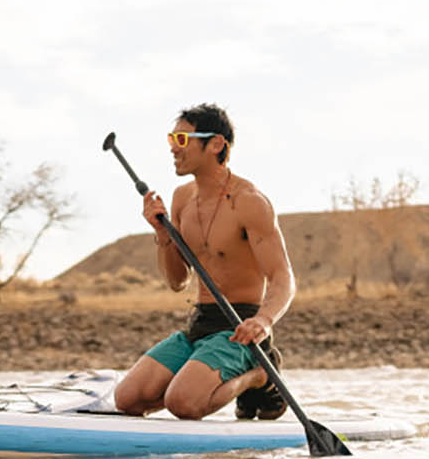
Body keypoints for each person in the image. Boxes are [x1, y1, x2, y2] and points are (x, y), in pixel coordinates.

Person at [112, 103, 298, 421]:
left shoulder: (249, 202)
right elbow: (177, 281)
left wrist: (264, 322)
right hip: (200, 324)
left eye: (182, 140)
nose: (173, 148)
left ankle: (260, 375)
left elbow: (283, 277)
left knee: (183, 404)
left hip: (241, 328)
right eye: (171, 139)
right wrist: (162, 234)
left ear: (215, 144)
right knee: (127, 399)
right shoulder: (182, 198)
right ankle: (203, 380)